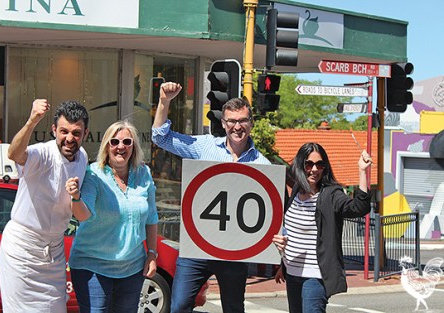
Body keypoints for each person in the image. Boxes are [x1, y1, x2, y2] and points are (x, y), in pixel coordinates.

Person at [152, 82, 271, 313]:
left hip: (234, 252)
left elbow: (270, 212)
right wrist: (164, 101)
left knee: (234, 310)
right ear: (223, 123)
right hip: (197, 247)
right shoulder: (205, 147)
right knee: (178, 307)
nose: (237, 126)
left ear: (251, 123)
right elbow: (160, 137)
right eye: (232, 121)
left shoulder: (262, 165)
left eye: (243, 121)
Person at [0, 99, 89, 312]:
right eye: (64, 131)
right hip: (22, 251)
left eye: (76, 133)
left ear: (85, 134)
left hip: (54, 252)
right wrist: (32, 121)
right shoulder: (42, 153)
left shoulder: (83, 157)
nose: (69, 138)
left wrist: (76, 197)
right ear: (54, 130)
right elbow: (14, 154)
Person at [65, 120, 158, 312]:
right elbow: (83, 215)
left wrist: (152, 254)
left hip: (132, 268)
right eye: (114, 142)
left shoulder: (144, 173)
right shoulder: (94, 174)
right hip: (92, 266)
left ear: (134, 146)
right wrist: (75, 197)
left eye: (126, 142)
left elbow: (151, 217)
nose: (120, 147)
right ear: (107, 146)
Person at [272, 142, 373, 313]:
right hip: (292, 273)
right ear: (300, 165)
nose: (314, 169)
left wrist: (362, 171)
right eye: (309, 164)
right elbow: (294, 233)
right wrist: (283, 264)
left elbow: (359, 208)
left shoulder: (331, 194)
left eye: (320, 164)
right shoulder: (296, 191)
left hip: (315, 276)